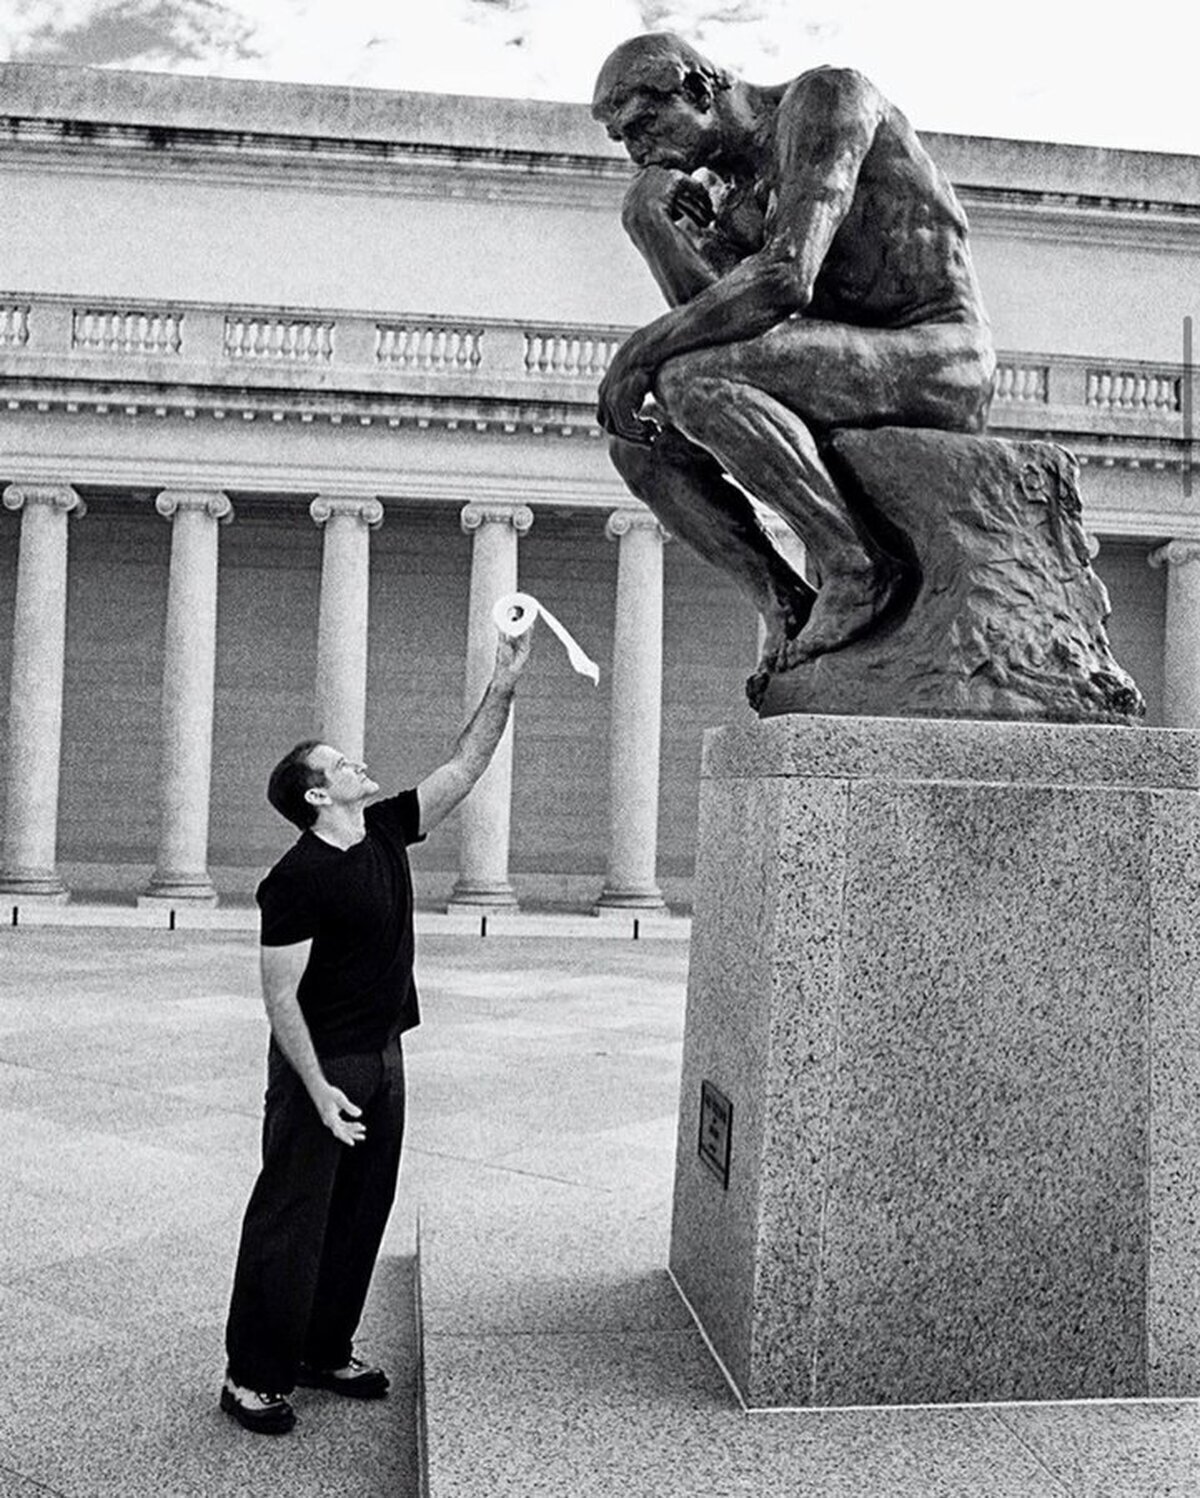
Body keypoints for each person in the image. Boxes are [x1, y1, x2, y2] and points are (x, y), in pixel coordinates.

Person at [591, 33, 996, 676]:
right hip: (844, 365)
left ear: (698, 89)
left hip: (936, 353)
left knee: (689, 379)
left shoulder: (826, 100)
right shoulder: (729, 195)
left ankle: (857, 567)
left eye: (643, 126)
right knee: (638, 444)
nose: (640, 153)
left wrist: (636, 354)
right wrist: (654, 230)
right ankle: (785, 601)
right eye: (624, 142)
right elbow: (723, 328)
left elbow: (786, 279)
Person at [220, 623, 533, 1434]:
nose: (357, 762)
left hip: (383, 1055)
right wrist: (318, 1090)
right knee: (292, 1215)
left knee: (362, 1210)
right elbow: (279, 997)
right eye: (338, 764)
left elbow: (463, 767)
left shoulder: (389, 827)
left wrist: (502, 682)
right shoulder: (293, 880)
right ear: (317, 796)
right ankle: (252, 1375)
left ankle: (324, 1348)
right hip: (318, 1069)